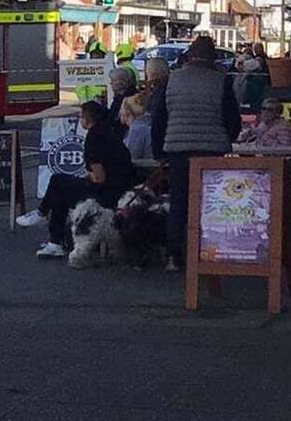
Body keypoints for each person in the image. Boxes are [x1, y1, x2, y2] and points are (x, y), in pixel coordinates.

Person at [151, 35, 241, 269]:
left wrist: (160, 150)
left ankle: (174, 254)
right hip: (212, 150)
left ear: (188, 56)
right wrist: (225, 139)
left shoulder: (171, 80)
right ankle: (206, 251)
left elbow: (159, 119)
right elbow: (232, 121)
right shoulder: (221, 82)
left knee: (179, 201)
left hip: (178, 150)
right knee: (210, 202)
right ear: (213, 58)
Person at [18, 100, 139, 257]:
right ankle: (51, 234)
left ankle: (48, 225)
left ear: (88, 120)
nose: (80, 119)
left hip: (107, 193)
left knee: (59, 183)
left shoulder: (94, 139)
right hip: (122, 187)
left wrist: (87, 175)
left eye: (81, 116)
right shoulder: (110, 133)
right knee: (61, 186)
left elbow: (98, 177)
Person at [107, 67, 139, 133]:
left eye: (113, 80)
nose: (111, 83)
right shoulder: (118, 97)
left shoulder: (132, 98)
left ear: (121, 82)